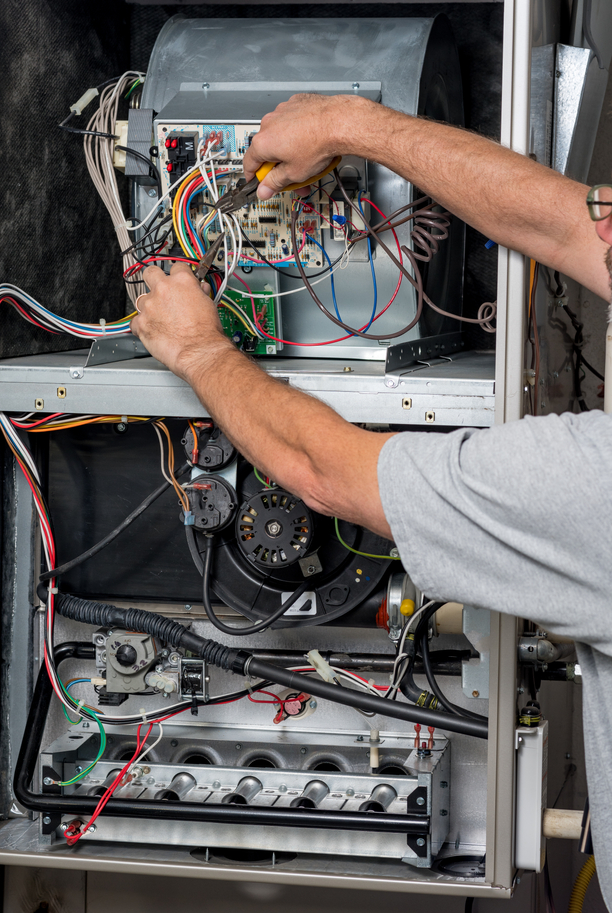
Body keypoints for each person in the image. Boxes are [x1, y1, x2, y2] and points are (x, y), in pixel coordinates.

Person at [131, 93, 612, 903]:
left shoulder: (591, 486)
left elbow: (328, 475)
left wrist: (199, 349)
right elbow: (568, 224)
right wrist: (351, 123)